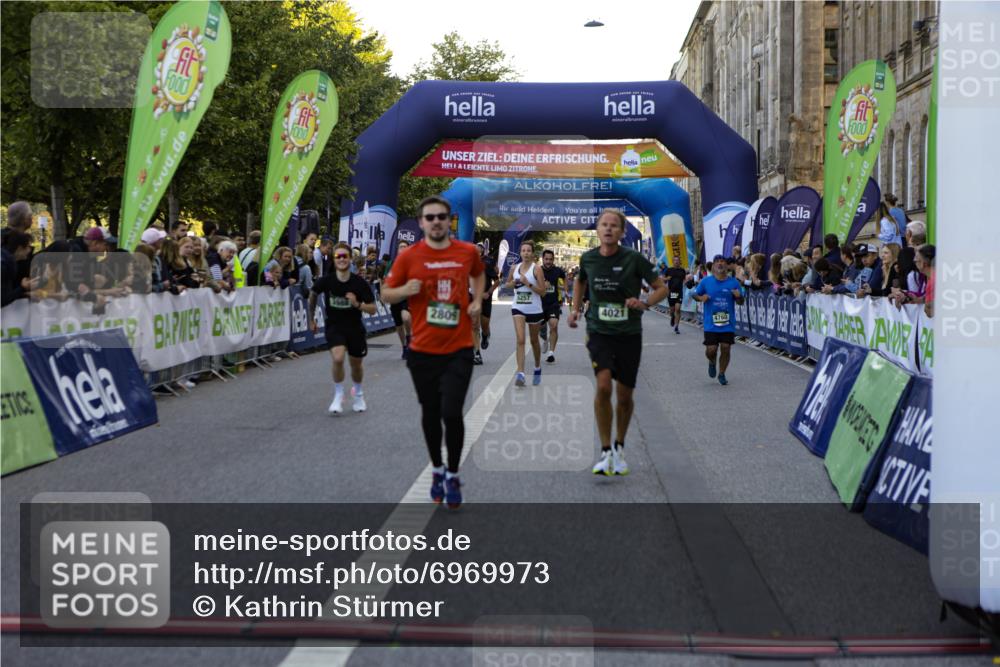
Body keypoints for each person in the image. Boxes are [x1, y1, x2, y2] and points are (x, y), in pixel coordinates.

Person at [381, 196, 484, 508]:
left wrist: (477, 300)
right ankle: (437, 469)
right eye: (430, 217)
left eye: (441, 216)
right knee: (430, 412)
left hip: (459, 347)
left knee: (451, 412)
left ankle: (452, 474)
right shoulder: (408, 257)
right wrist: (404, 291)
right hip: (422, 350)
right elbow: (386, 293)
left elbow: (479, 274)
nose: (436, 221)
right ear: (422, 222)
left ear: (449, 220)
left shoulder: (466, 252)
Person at [569, 209, 668, 476]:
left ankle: (620, 446)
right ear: (598, 230)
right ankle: (605, 451)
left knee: (624, 396)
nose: (609, 229)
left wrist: (644, 302)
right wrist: (575, 310)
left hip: (629, 333)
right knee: (603, 386)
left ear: (622, 232)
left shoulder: (634, 259)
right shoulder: (588, 258)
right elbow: (580, 282)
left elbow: (661, 288)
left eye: (614, 226)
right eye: (604, 225)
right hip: (599, 330)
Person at [309, 242, 377, 414]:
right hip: (335, 326)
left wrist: (357, 304)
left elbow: (373, 309)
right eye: (338, 256)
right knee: (338, 358)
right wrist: (311, 318)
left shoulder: (359, 283)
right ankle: (338, 395)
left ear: (350, 259)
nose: (341, 259)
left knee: (356, 365)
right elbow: (313, 293)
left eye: (344, 256)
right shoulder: (328, 280)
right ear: (334, 259)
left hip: (355, 327)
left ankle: (358, 393)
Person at [691, 254, 745, 386]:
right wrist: (700, 298)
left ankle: (722, 373)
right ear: (713, 266)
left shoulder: (733, 282)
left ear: (726, 265)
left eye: (722, 262)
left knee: (726, 348)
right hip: (711, 324)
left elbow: (741, 302)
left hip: (727, 323)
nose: (720, 264)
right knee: (711, 350)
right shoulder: (706, 281)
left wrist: (738, 297)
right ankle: (711, 361)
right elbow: (694, 294)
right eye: (717, 262)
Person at [505, 240, 547, 386]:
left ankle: (537, 367)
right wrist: (515, 283)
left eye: (528, 251)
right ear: (520, 253)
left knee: (534, 341)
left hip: (534, 309)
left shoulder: (537, 269)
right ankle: (521, 374)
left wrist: (528, 283)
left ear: (532, 253)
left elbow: (543, 292)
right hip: (518, 307)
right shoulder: (514, 268)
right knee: (521, 339)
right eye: (523, 251)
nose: (526, 253)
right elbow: (507, 284)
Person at [472, 241, 500, 364]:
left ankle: (486, 335)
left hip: (485, 298)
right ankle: (477, 353)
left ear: (483, 251)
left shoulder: (488, 263)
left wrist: (488, 292)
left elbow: (497, 281)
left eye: (479, 249)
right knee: (474, 325)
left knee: (484, 325)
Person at [385, 239, 413, 358]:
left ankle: (409, 338)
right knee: (398, 325)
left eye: (405, 247)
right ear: (397, 249)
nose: (402, 248)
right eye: (400, 246)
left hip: (407, 296)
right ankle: (404, 347)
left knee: (406, 317)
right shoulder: (391, 263)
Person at [539, 249, 566, 362]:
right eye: (546, 259)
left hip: (553, 303)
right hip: (539, 304)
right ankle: (545, 338)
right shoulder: (537, 270)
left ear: (553, 259)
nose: (548, 261)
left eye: (550, 259)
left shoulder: (558, 271)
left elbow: (564, 280)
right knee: (541, 328)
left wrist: (564, 289)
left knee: (554, 325)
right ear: (543, 259)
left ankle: (551, 353)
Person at [1, 231, 37, 306]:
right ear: (20, 248)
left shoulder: (6, 261)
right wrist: (23, 287)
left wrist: (24, 293)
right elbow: (3, 299)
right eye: (28, 246)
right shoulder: (4, 266)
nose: (30, 250)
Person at [663, 255, 687, 334]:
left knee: (678, 309)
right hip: (671, 292)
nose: (676, 262)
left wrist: (688, 281)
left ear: (680, 261)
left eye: (678, 260)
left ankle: (676, 326)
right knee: (672, 310)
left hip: (679, 292)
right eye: (675, 260)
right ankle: (672, 317)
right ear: (672, 261)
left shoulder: (682, 271)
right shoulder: (669, 270)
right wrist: (667, 279)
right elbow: (663, 280)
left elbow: (684, 280)